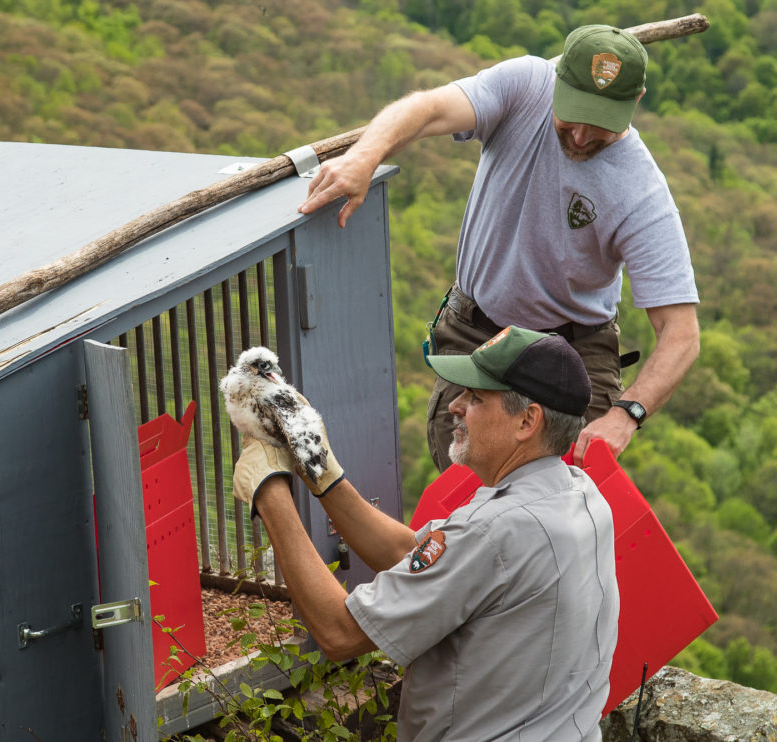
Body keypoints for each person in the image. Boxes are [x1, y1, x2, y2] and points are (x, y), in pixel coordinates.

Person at [297, 24, 700, 469]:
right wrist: (362, 157)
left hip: (572, 349)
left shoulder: (641, 191)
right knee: (467, 477)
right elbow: (428, 109)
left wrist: (627, 414)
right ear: (556, 80)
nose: (582, 137)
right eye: (572, 115)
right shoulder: (526, 85)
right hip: (477, 331)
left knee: (566, 491)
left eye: (601, 124)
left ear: (635, 102)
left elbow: (681, 335)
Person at [233, 326, 619, 741]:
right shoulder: (580, 494)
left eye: (475, 397)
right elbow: (414, 554)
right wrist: (321, 470)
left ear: (527, 420)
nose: (454, 405)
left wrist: (270, 492)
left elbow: (339, 632)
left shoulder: (494, 532)